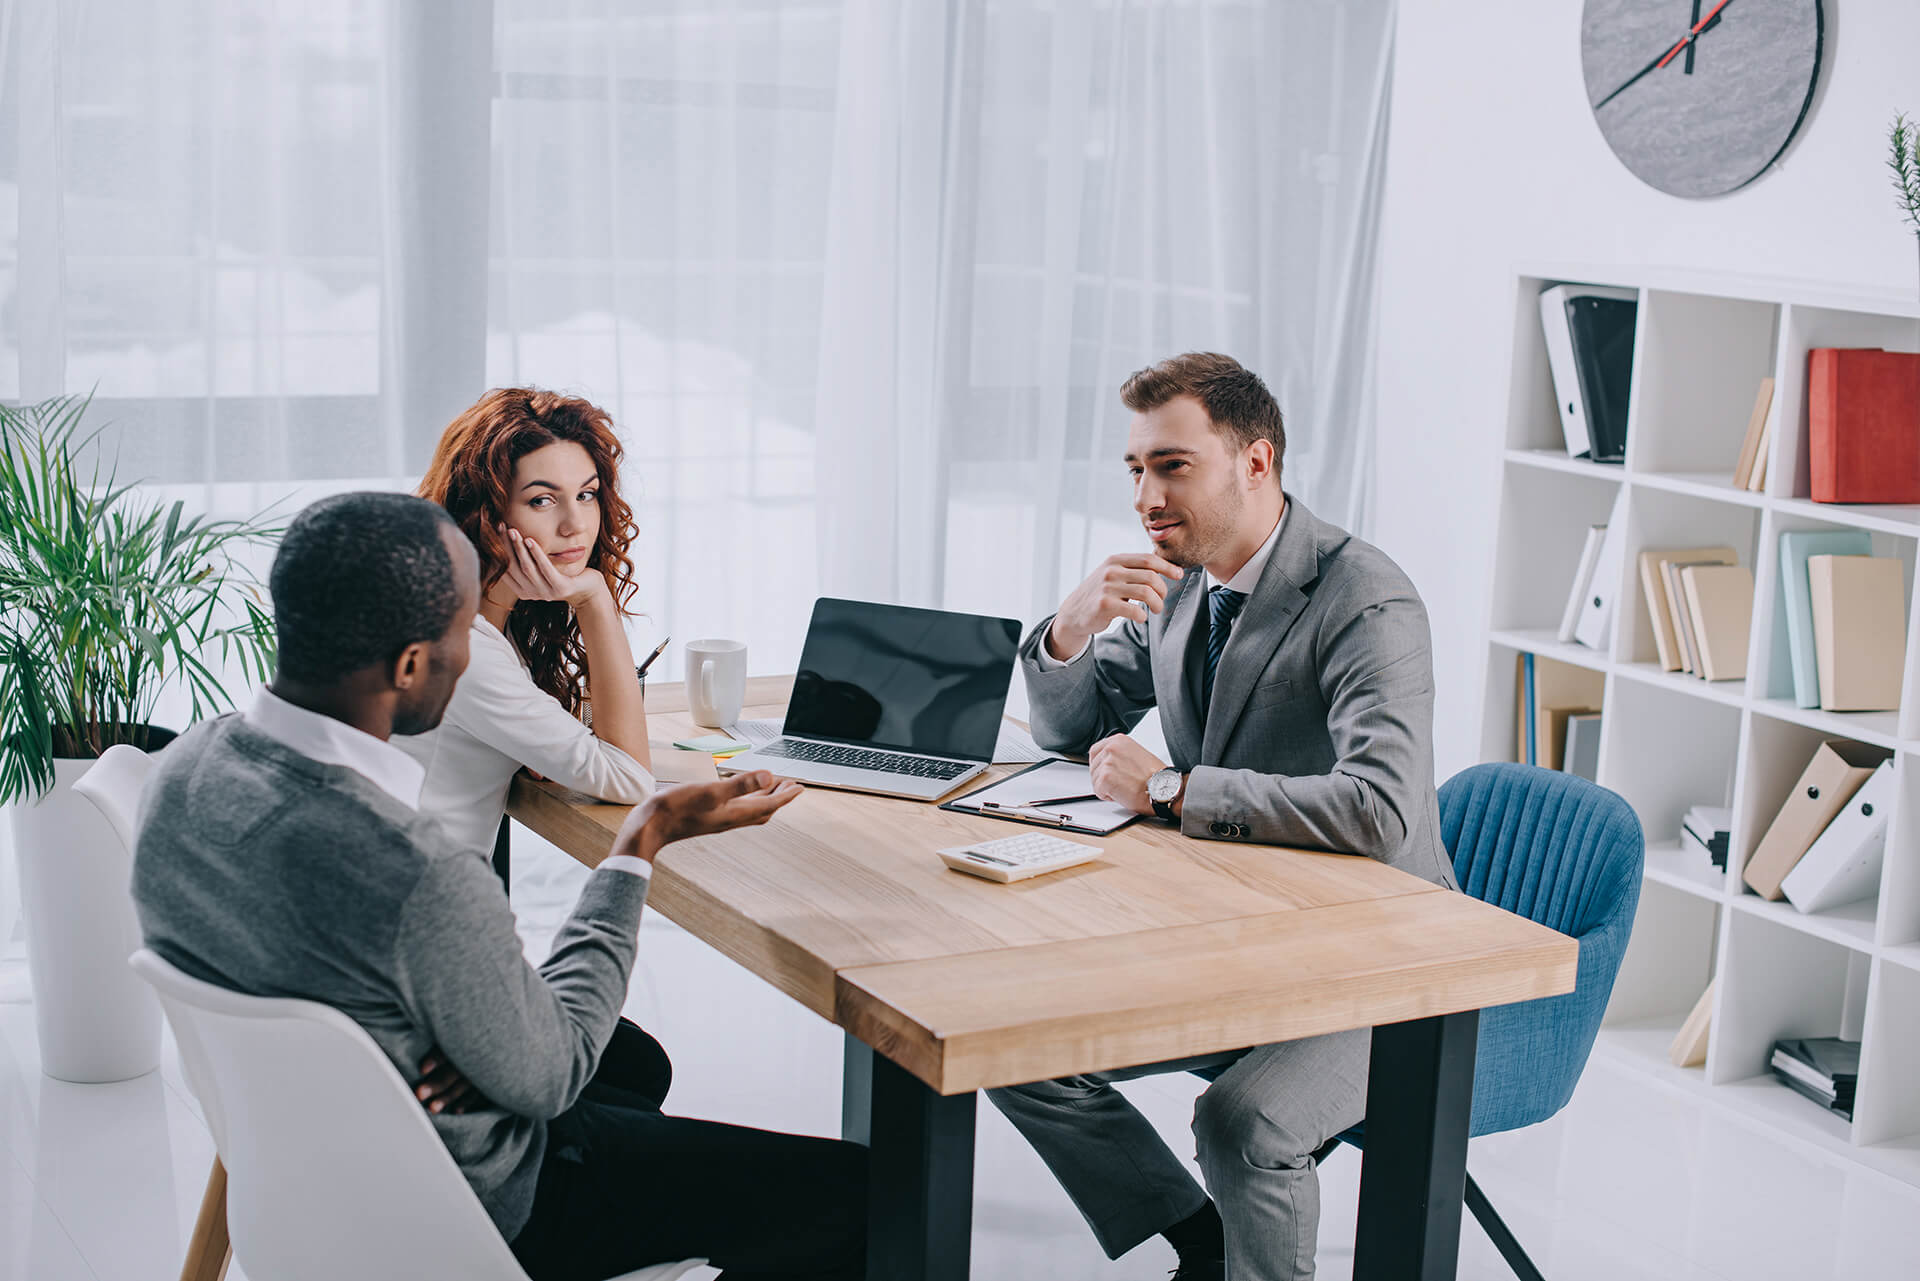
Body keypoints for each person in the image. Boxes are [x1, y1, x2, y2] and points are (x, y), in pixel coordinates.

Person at [132, 492, 867, 1281]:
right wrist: (638, 842)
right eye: (464, 633)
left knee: (631, 1067)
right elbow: (550, 1074)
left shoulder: (182, 769)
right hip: (477, 1206)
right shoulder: (413, 866)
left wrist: (425, 1039)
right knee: (865, 1197)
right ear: (411, 663)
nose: (474, 648)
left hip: (324, 1169)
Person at [988, 353, 1456, 1281]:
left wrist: (1170, 790)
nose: (1146, 496)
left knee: (1242, 1123)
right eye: (1135, 469)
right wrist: (1070, 625)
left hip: (1380, 961)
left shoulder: (1365, 596)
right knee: (1011, 1040)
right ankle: (1205, 1248)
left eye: (1173, 465)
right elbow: (1072, 728)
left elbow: (1380, 807)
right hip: (1236, 932)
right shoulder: (1186, 584)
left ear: (1256, 461)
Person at [402, 387, 656, 861]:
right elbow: (631, 779)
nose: (574, 524)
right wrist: (596, 598)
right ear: (484, 512)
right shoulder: (461, 649)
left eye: (587, 495)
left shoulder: (472, 614)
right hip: (409, 907)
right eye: (542, 501)